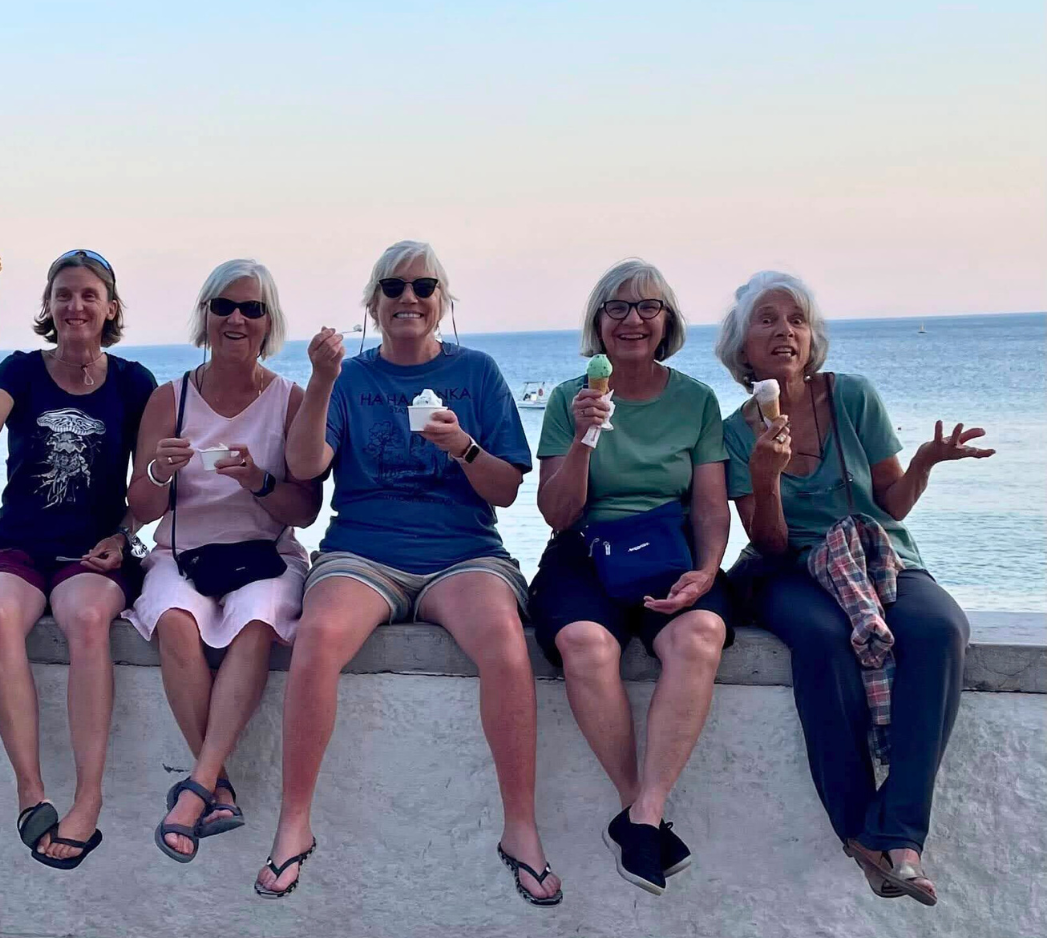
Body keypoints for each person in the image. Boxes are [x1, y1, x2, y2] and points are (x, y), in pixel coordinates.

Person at [266, 240, 557, 904]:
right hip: (363, 552)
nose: (408, 298)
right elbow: (305, 467)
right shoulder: (349, 378)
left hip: (463, 553)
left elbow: (506, 490)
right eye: (392, 288)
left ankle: (520, 827)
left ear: (442, 301)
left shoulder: (477, 373)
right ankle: (293, 822)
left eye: (423, 287)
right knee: (317, 637)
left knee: (506, 644)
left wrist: (462, 446)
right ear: (372, 304)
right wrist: (320, 380)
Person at [717, 271, 987, 905]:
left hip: (875, 554)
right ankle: (858, 828)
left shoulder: (853, 397)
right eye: (766, 320)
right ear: (741, 347)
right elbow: (771, 543)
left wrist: (923, 463)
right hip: (790, 569)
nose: (785, 331)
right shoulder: (734, 431)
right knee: (821, 635)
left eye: (797, 319)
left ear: (811, 338)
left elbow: (891, 504)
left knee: (940, 628)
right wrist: (766, 477)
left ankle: (897, 835)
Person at [530, 259, 733, 897]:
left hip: (669, 550)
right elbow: (557, 514)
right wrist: (586, 436)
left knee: (699, 636)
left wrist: (706, 571)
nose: (633, 319)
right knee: (585, 644)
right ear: (598, 322)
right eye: (617, 307)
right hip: (585, 551)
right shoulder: (569, 400)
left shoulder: (697, 401)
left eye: (648, 307)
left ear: (667, 320)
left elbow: (710, 508)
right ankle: (636, 810)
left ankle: (645, 812)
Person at [0, 249, 157, 869]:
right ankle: (31, 791)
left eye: (89, 295)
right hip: (17, 544)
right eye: (63, 294)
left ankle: (89, 799)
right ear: (47, 305)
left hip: (93, 551)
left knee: (88, 620)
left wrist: (124, 534)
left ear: (110, 308)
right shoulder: (20, 370)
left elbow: (152, 487)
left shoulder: (134, 383)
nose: (75, 305)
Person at [126, 260, 319, 863]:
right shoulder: (171, 398)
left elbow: (306, 509)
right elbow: (141, 507)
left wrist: (258, 481)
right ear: (205, 315)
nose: (237, 318)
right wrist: (160, 469)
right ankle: (220, 787)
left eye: (252, 308)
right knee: (173, 620)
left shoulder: (290, 399)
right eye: (224, 306)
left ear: (269, 323)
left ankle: (200, 785)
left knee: (258, 621)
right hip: (183, 552)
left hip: (267, 553)